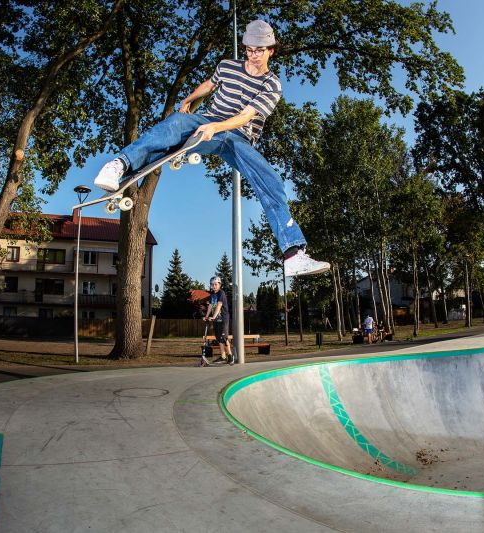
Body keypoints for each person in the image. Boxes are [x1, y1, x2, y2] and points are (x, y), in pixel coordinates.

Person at [93, 19, 330, 278]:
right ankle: (120, 165)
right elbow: (209, 84)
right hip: (207, 120)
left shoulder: (272, 85)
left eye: (259, 50)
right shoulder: (228, 65)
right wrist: (189, 99)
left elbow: (246, 116)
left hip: (238, 137)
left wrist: (216, 128)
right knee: (175, 125)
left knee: (270, 181)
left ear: (271, 50)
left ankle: (293, 254)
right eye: (249, 49)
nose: (253, 56)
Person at [204, 276, 233, 364]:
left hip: (223, 319)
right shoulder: (212, 295)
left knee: (224, 338)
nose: (214, 286)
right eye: (212, 285)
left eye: (216, 284)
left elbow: (219, 305)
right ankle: (223, 357)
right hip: (216, 320)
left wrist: (214, 316)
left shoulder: (221, 293)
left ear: (219, 285)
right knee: (219, 339)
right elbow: (210, 306)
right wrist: (206, 316)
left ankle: (230, 357)